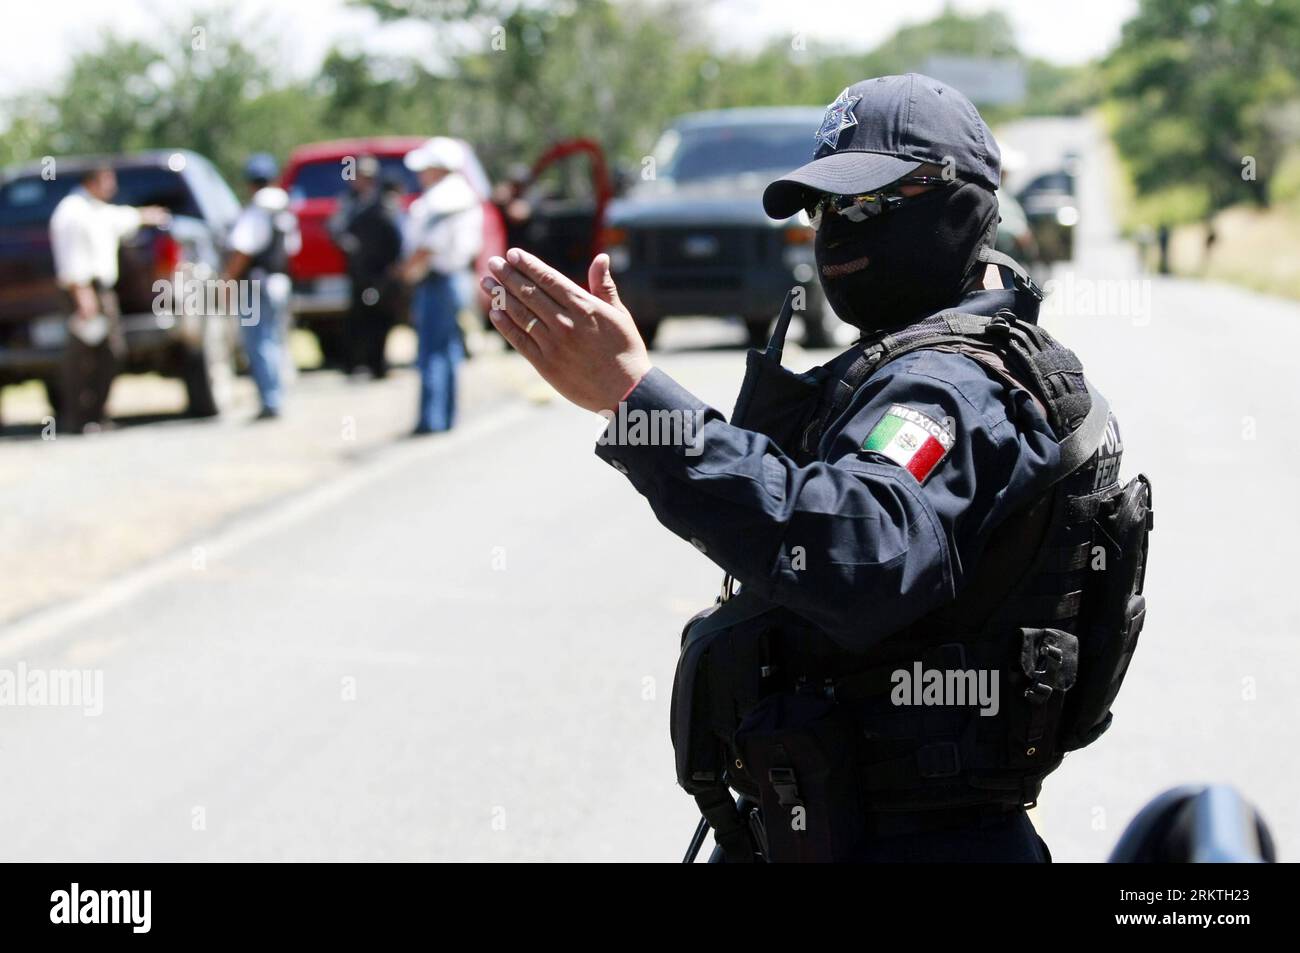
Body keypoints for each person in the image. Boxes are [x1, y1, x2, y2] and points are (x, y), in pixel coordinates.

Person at [482, 74, 1153, 863]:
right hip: (836, 825)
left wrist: (636, 401)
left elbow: (856, 546)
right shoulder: (919, 363)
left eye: (866, 202)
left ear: (960, 202)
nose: (837, 230)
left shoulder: (951, 387)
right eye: (824, 207)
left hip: (914, 843)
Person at [48, 164, 170, 434]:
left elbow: (120, 217)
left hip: (102, 291)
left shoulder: (97, 210)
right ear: (92, 181)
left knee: (110, 352)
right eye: (108, 181)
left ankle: (95, 415)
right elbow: (70, 257)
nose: (113, 187)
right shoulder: (72, 212)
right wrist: (82, 294)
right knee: (82, 356)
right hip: (83, 290)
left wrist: (145, 215)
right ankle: (77, 418)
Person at [395, 137, 483, 435]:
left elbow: (429, 245)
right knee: (448, 348)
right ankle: (446, 416)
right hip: (455, 277)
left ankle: (431, 419)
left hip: (438, 280)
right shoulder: (464, 193)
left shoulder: (441, 198)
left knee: (431, 349)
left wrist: (405, 272)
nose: (421, 174)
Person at [223, 153, 299, 420]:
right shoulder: (284, 210)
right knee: (275, 340)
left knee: (259, 342)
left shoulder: (256, 210)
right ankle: (277, 394)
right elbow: (293, 247)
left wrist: (227, 280)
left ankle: (270, 400)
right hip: (280, 281)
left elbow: (243, 248)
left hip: (257, 285)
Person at [327, 156, 404, 379]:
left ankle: (377, 364)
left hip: (381, 272)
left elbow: (397, 234)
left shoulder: (384, 201)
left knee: (382, 318)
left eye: (368, 177)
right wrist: (347, 243)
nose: (364, 181)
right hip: (359, 271)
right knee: (358, 319)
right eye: (360, 176)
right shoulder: (349, 203)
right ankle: (354, 364)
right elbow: (335, 227)